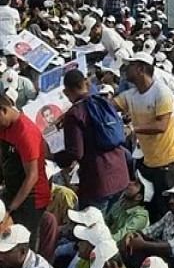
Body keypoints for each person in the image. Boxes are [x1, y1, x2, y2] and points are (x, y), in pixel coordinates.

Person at [113, 52, 174, 222]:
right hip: (148, 163)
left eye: (130, 66)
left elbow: (161, 126)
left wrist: (133, 129)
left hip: (167, 164)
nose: (125, 69)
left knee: (164, 210)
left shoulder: (162, 93)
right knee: (149, 208)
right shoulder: (131, 95)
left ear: (140, 69)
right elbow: (109, 106)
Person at [56, 69, 130, 214]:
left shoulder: (74, 114)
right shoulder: (104, 102)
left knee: (90, 226)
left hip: (98, 182)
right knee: (108, 224)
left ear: (66, 91)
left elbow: (75, 152)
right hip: (121, 176)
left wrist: (53, 156)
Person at [0, 95, 50, 242]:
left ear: (3, 110)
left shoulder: (25, 131)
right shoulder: (4, 127)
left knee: (21, 241)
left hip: (31, 198)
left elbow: (32, 176)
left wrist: (11, 209)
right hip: (12, 190)